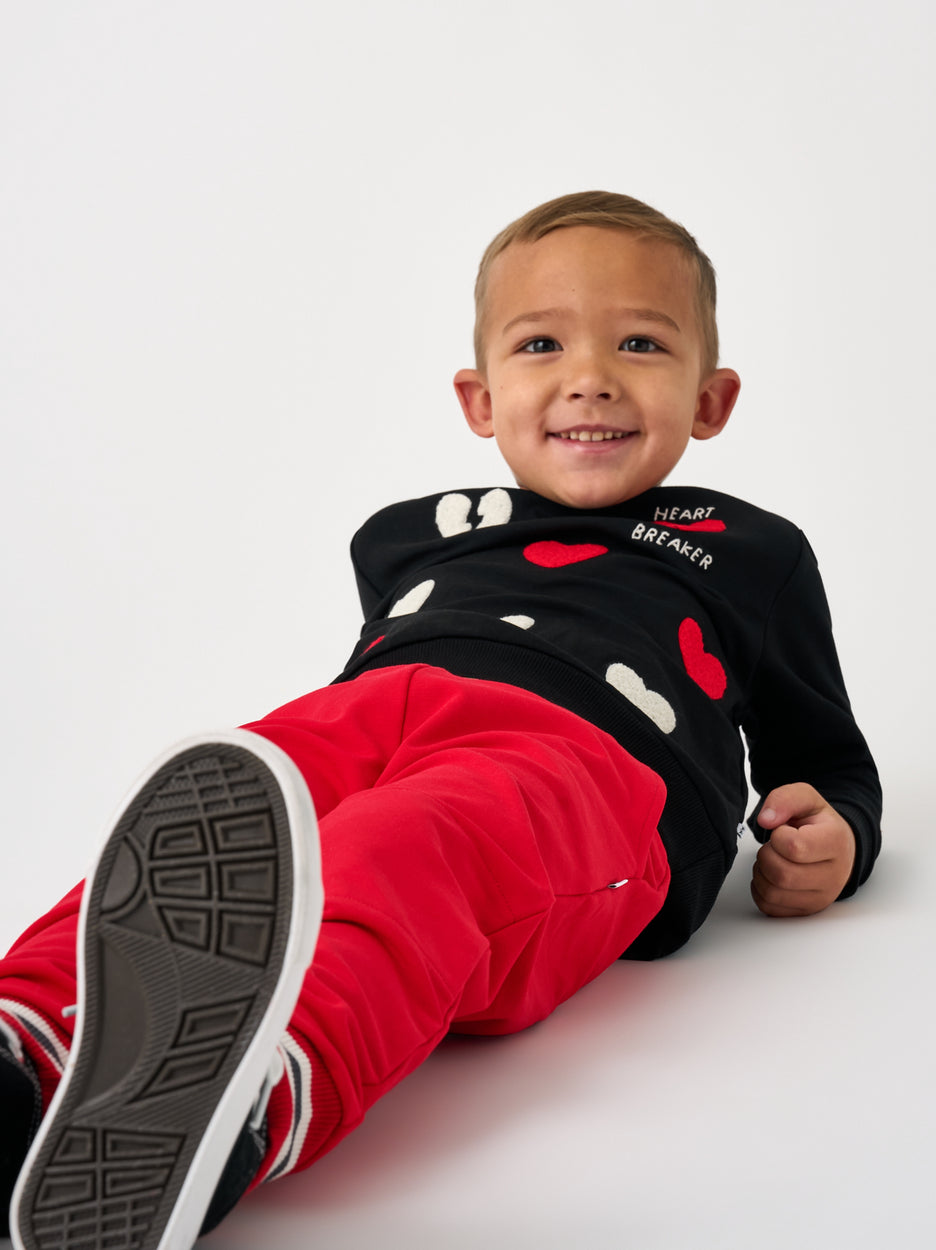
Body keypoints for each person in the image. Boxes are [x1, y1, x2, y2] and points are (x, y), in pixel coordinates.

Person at [0, 191, 881, 1249]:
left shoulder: (746, 548)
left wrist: (835, 831)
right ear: (480, 396)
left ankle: (245, 1099)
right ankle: (26, 1034)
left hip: (587, 762)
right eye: (542, 341)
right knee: (221, 824)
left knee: (403, 849)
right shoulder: (407, 537)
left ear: (711, 397)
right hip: (365, 710)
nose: (589, 374)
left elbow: (824, 752)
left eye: (640, 342)